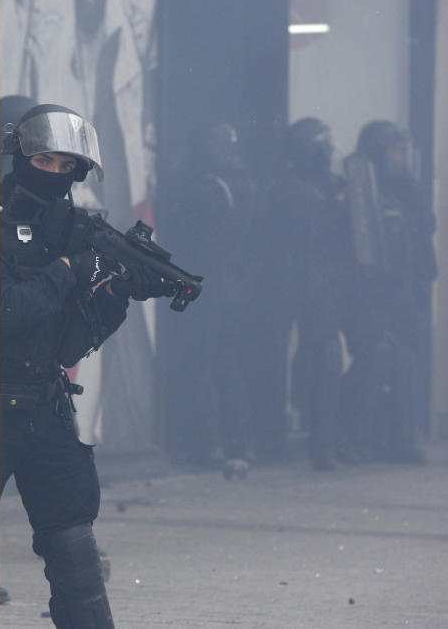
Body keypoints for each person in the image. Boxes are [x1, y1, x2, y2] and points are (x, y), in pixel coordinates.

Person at [0, 103, 171, 628]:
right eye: (45, 160)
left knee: (73, 545)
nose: (55, 174)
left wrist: (113, 291)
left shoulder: (78, 227)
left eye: (65, 166)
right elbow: (6, 311)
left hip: (45, 407)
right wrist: (70, 271)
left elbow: (72, 341)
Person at [158, 122, 256, 473]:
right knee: (225, 364)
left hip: (203, 287)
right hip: (229, 286)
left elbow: (185, 235)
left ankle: (202, 444)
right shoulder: (239, 180)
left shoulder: (205, 187)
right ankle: (233, 444)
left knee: (199, 364)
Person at [341, 120, 436, 464]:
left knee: (407, 362)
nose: (400, 158)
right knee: (375, 357)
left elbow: (423, 234)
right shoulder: (358, 190)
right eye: (394, 150)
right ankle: (355, 435)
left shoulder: (407, 190)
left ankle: (401, 437)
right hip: (366, 291)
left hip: (401, 288)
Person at [266, 117, 352, 470]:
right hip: (292, 284)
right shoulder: (290, 189)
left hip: (323, 285)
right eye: (324, 143)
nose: (330, 150)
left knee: (327, 360)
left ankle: (324, 442)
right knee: (279, 358)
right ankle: (275, 438)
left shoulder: (329, 185)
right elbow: (309, 232)